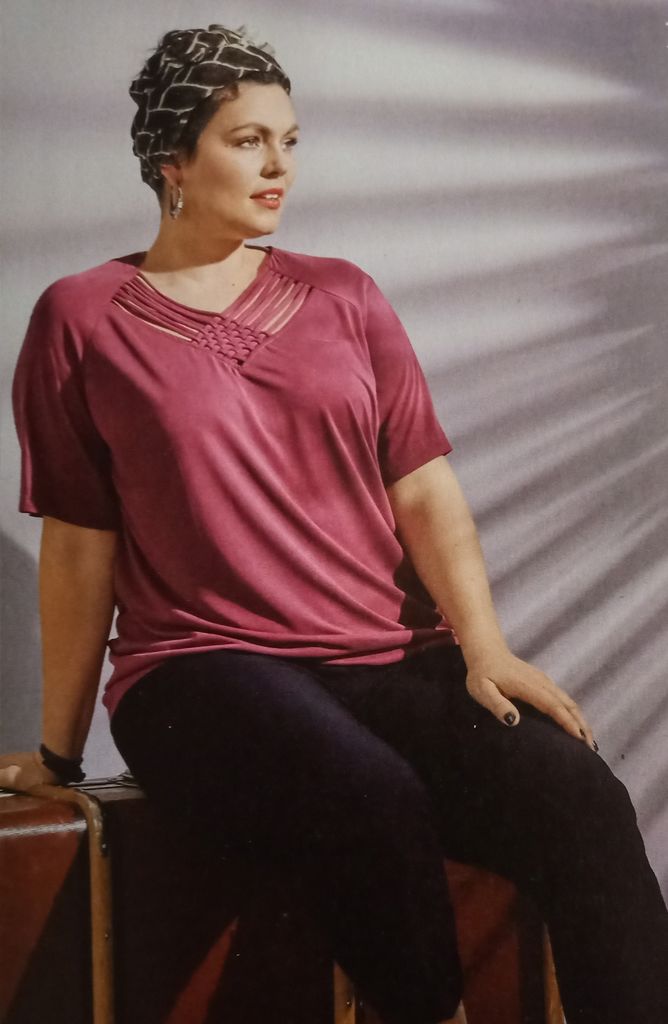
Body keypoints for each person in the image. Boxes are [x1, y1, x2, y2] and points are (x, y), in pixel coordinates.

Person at [1, 23, 667, 1024]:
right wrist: (56, 755)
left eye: (290, 141)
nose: (279, 166)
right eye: (247, 141)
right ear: (172, 160)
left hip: (384, 659)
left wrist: (484, 648)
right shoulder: (82, 317)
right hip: (199, 670)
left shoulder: (343, 295)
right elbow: (79, 545)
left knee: (577, 794)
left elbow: (424, 490)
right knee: (366, 793)